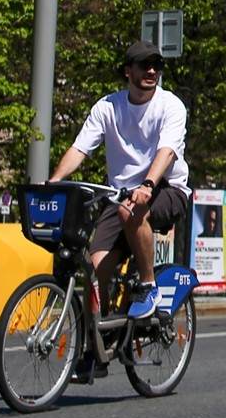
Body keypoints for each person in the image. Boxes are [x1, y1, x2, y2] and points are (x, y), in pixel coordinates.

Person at [47, 42, 192, 381]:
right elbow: (80, 149)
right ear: (128, 70)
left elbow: (167, 153)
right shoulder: (108, 108)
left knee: (131, 211)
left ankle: (147, 285)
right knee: (95, 268)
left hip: (166, 188)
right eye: (144, 65)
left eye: (156, 65)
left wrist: (148, 185)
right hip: (120, 196)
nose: (151, 71)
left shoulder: (170, 106)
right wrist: (53, 181)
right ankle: (99, 348)